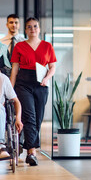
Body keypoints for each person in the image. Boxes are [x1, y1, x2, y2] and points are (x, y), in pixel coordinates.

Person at [10, 17, 56, 166]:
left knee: (38, 118)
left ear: (39, 29)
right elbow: (15, 69)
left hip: (41, 83)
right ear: (25, 30)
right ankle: (32, 152)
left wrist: (47, 78)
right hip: (24, 82)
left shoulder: (47, 46)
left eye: (35, 26)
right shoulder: (19, 46)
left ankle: (27, 144)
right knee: (29, 115)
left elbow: (52, 67)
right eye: (29, 27)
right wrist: (10, 89)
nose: (32, 29)